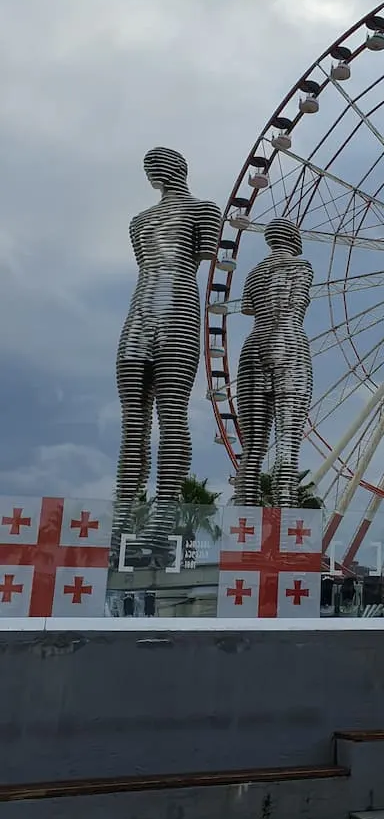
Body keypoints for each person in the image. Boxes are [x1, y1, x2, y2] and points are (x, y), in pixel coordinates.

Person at [113, 148, 222, 559]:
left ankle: (161, 524)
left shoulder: (205, 211)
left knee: (172, 412)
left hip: (178, 306)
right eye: (146, 167)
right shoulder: (138, 221)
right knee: (133, 420)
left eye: (156, 165)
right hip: (139, 309)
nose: (151, 172)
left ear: (178, 168)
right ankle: (121, 522)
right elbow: (146, 265)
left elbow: (201, 257)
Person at [233, 219, 314, 506]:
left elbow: (247, 308)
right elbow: (297, 302)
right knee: (287, 444)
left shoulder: (254, 273)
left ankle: (244, 521)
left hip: (253, 346)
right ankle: (286, 525)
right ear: (293, 237)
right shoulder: (301, 267)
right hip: (289, 343)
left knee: (252, 448)